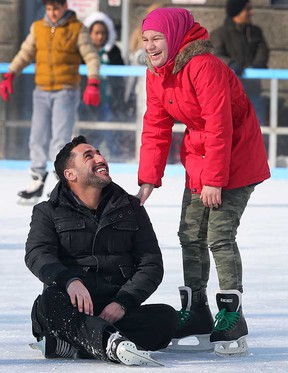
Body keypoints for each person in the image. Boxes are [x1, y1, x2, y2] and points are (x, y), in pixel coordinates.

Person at [137, 7, 270, 356]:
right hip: (201, 157)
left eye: (157, 39)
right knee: (189, 234)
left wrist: (215, 179)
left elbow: (219, 125)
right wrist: (149, 177)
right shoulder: (157, 74)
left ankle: (232, 314)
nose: (150, 46)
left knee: (219, 236)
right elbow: (155, 126)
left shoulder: (204, 66)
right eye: (146, 39)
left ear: (175, 37)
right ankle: (196, 311)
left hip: (236, 157)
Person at [25, 135, 178, 366]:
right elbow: (37, 254)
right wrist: (69, 281)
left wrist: (123, 302)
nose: (100, 158)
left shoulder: (131, 208)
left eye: (98, 153)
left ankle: (71, 345)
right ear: (70, 174)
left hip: (115, 307)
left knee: (166, 318)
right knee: (49, 303)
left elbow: (151, 264)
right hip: (71, 305)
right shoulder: (47, 211)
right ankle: (110, 342)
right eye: (89, 156)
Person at [0, 0, 101, 204]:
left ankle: (61, 181)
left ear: (64, 6)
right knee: (37, 136)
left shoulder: (76, 28)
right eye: (48, 9)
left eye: (56, 8)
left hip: (66, 91)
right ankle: (37, 178)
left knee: (60, 138)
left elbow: (91, 57)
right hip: (42, 90)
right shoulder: (38, 28)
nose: (52, 13)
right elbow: (25, 53)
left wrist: (93, 81)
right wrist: (10, 74)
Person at [210, 0, 269, 125]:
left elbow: (262, 50)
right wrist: (231, 63)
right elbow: (215, 55)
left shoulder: (255, 32)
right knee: (231, 128)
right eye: (247, 9)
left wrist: (257, 66)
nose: (251, 13)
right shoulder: (219, 34)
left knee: (257, 127)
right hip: (229, 93)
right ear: (237, 12)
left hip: (253, 90)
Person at [81, 12, 127, 159]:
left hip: (108, 98)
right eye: (96, 33)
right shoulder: (82, 52)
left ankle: (114, 155)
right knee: (89, 128)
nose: (100, 37)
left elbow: (120, 76)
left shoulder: (114, 52)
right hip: (87, 98)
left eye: (103, 33)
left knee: (110, 128)